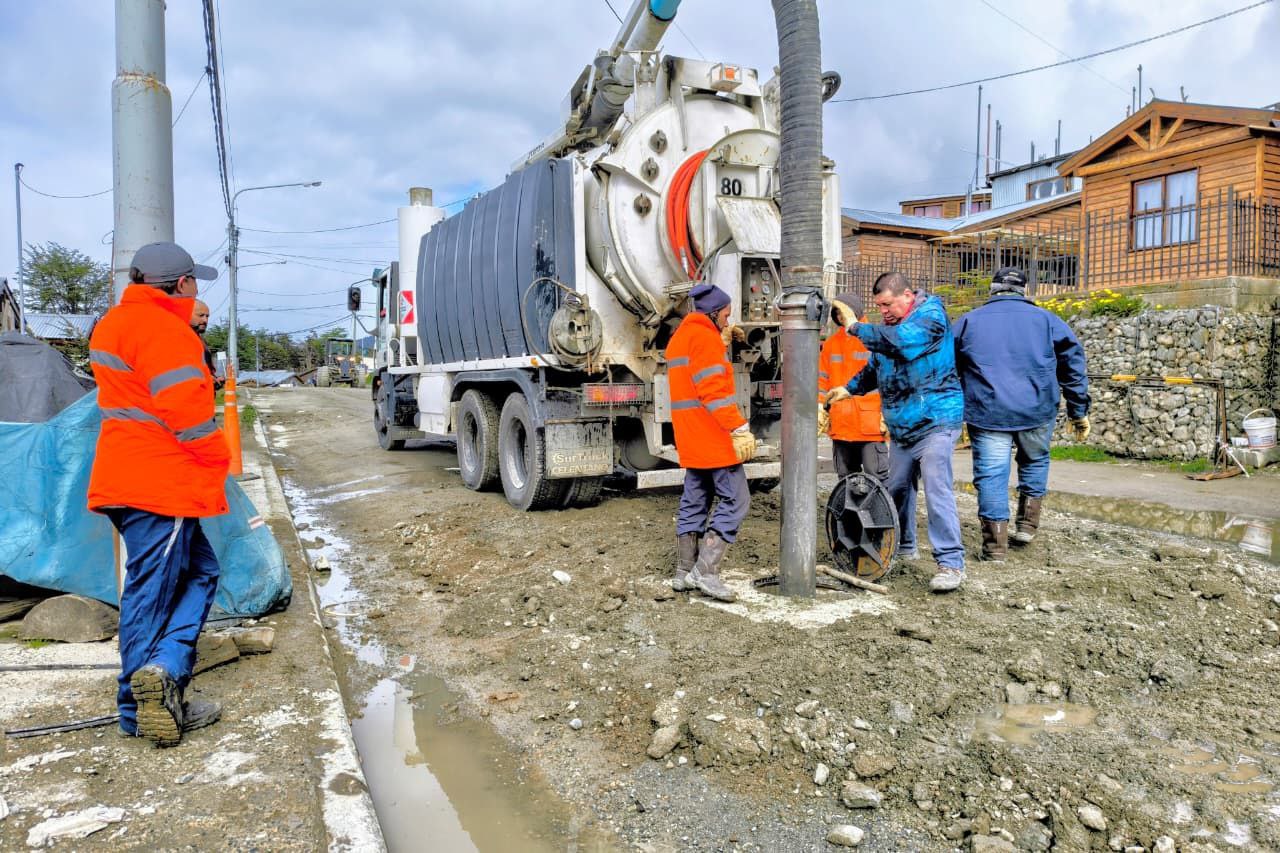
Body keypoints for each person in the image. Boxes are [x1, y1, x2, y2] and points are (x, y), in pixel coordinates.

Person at [87, 241, 230, 746]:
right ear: (183, 284)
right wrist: (220, 461)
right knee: (153, 591)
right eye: (196, 283)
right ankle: (139, 703)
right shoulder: (166, 332)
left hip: (125, 475)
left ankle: (164, 669)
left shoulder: (113, 324)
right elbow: (189, 418)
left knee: (200, 571)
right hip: (159, 482)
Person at [825, 272, 967, 592]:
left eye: (887, 304)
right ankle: (904, 547)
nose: (884, 311)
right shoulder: (891, 327)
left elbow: (901, 345)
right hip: (903, 429)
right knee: (897, 489)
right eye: (879, 306)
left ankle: (950, 563)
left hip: (936, 421)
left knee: (936, 484)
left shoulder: (930, 318)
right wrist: (848, 389)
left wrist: (854, 327)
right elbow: (876, 368)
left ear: (906, 295)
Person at [953, 266, 1090, 560]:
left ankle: (995, 548)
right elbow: (1073, 365)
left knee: (991, 476)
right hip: (1037, 409)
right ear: (1024, 291)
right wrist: (1078, 411)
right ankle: (1027, 525)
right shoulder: (1047, 320)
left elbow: (947, 368)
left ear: (992, 290)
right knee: (1035, 460)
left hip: (988, 411)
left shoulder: (968, 322)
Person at [666, 282, 756, 603]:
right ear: (714, 313)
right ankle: (705, 571)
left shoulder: (681, 339)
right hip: (713, 437)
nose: (728, 322)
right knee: (737, 500)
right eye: (726, 316)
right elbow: (713, 391)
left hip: (691, 438)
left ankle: (683, 572)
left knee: (694, 500)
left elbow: (693, 379)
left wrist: (720, 342)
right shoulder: (704, 340)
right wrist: (739, 428)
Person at [818, 293, 888, 480]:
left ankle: (878, 511)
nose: (840, 317)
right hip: (842, 425)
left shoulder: (873, 338)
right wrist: (820, 405)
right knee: (847, 481)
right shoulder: (832, 344)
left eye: (843, 312)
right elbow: (822, 380)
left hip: (870, 426)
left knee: (876, 480)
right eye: (837, 313)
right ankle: (850, 511)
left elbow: (889, 379)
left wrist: (888, 413)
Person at [189, 298, 224, 391]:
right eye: (200, 315)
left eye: (207, 316)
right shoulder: (175, 338)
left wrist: (214, 379)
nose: (205, 320)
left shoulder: (201, 340)